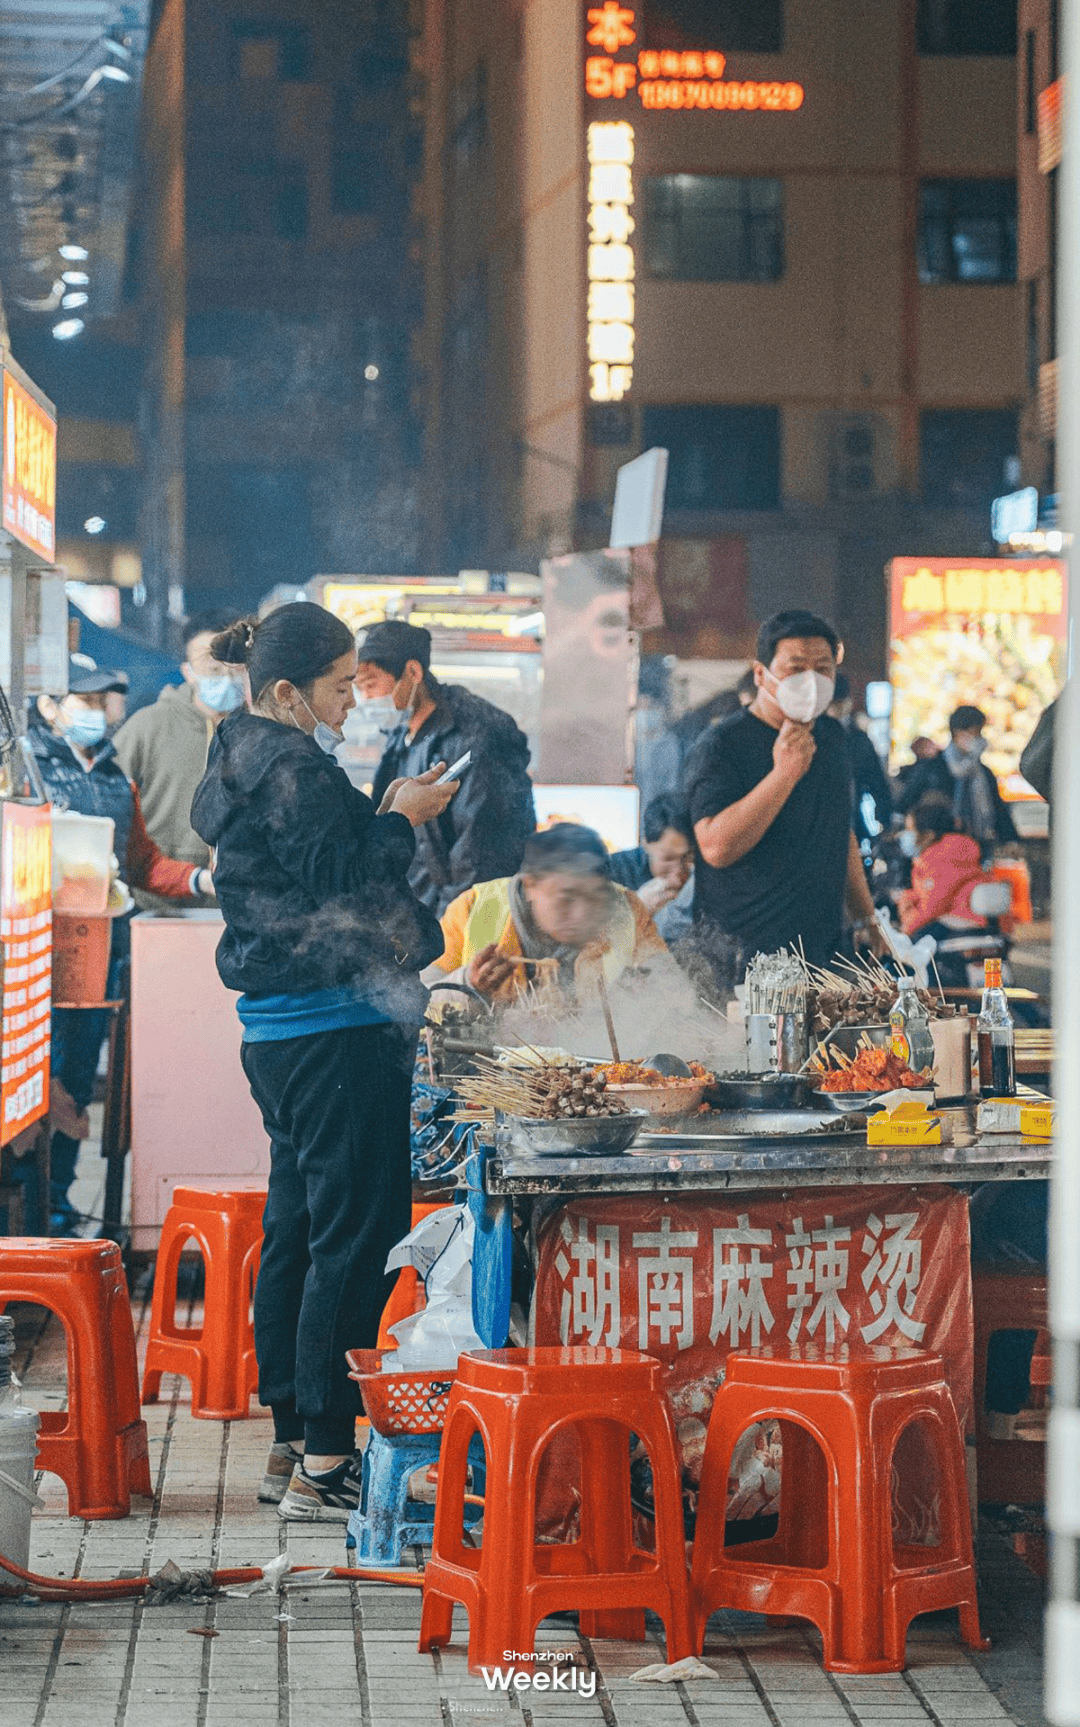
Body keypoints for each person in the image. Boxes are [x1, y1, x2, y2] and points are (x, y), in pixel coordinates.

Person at [190, 603, 455, 1522]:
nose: (351, 701)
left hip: (281, 1033)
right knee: (355, 1234)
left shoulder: (242, 751)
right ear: (285, 691)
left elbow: (313, 869)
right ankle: (329, 1459)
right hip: (333, 1029)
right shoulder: (293, 765)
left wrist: (383, 811)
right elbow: (343, 882)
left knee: (301, 1228)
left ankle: (294, 1438)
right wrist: (401, 819)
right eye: (340, 685)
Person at [29, 661, 213, 1233]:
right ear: (48, 707)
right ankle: (26, 1210)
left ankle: (56, 1207)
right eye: (82, 700)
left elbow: (141, 863)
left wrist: (201, 880)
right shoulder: (27, 772)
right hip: (32, 958)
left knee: (76, 1079)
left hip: (94, 959)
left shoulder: (114, 776)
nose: (96, 712)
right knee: (33, 1082)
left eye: (101, 701)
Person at [683, 609, 879, 985]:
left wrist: (867, 918)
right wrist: (784, 774)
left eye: (823, 669)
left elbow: (842, 834)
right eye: (796, 668)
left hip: (822, 957)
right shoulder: (722, 744)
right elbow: (716, 847)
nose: (811, 680)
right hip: (741, 961)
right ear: (761, 674)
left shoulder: (832, 737)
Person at [357, 619, 536, 915]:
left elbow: (480, 856)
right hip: (414, 914)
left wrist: (447, 926)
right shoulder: (402, 734)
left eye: (371, 685)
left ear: (412, 672)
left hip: (461, 918)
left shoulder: (476, 736)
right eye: (358, 689)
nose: (365, 700)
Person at [425, 822, 670, 1006]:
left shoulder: (626, 910)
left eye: (593, 898)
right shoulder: (473, 907)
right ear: (530, 884)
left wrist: (648, 995)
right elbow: (419, 998)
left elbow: (673, 991)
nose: (581, 913)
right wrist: (467, 983)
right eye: (566, 898)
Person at [114, 611, 244, 909]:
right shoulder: (149, 726)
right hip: (159, 906)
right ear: (188, 672)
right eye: (213, 668)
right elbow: (110, 801)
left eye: (234, 668)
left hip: (239, 908)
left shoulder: (262, 730)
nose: (225, 678)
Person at [895, 704, 1017, 856]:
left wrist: (1011, 839)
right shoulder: (931, 769)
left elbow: (997, 809)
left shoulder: (983, 773)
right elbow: (906, 803)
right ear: (957, 732)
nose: (979, 739)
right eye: (975, 732)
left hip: (976, 849)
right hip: (936, 850)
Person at [895, 793, 992, 938]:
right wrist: (908, 897)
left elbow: (933, 906)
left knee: (914, 944)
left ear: (928, 835)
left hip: (958, 926)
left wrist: (906, 929)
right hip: (963, 923)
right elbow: (934, 892)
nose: (905, 836)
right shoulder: (949, 853)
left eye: (910, 830)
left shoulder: (940, 858)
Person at [828, 672, 892, 845]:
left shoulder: (858, 739)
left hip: (852, 820)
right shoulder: (856, 738)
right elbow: (877, 783)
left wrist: (884, 819)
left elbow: (876, 782)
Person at [608, 793, 695, 916]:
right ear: (645, 845)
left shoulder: (710, 865)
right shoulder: (611, 872)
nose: (678, 873)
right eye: (668, 859)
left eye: (689, 857)